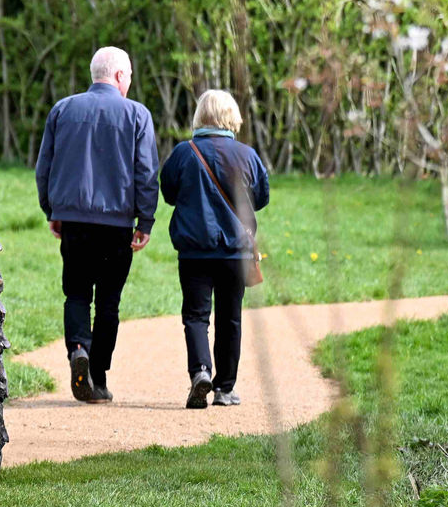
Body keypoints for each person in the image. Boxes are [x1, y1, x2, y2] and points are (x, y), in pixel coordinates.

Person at [34, 46, 159, 403]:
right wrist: (145, 219)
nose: (129, 82)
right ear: (119, 75)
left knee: (75, 293)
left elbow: (44, 166)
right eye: (129, 75)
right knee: (108, 302)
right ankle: (98, 376)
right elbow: (146, 173)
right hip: (116, 224)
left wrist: (51, 210)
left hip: (74, 221)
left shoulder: (63, 109)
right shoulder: (137, 114)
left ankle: (78, 349)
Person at [159, 89, 271, 409]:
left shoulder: (183, 152)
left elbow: (168, 193)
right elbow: (261, 197)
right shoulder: (247, 155)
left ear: (200, 116)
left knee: (196, 316)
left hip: (194, 249)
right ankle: (225, 388)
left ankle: (200, 372)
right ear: (232, 117)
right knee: (230, 318)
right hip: (235, 251)